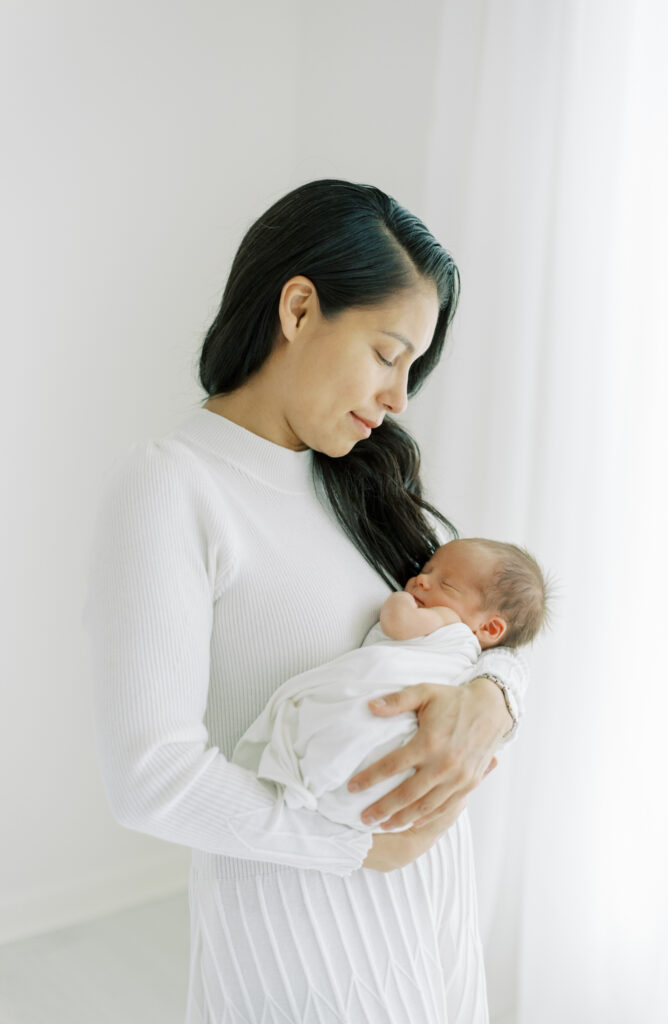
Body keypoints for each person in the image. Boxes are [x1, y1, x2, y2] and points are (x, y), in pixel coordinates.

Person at [83, 179, 530, 1024]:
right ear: (297, 309)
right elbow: (149, 776)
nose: (399, 398)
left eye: (413, 368)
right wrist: (359, 847)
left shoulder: (363, 485)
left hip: (427, 911)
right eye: (388, 353)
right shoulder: (170, 488)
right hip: (302, 936)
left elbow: (484, 626)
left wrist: (495, 699)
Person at [233, 538, 548, 833]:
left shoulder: (450, 624)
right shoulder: (468, 657)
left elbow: (398, 624)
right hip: (385, 816)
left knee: (361, 722)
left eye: (446, 584)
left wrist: (399, 600)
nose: (421, 581)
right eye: (425, 571)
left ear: (490, 627)